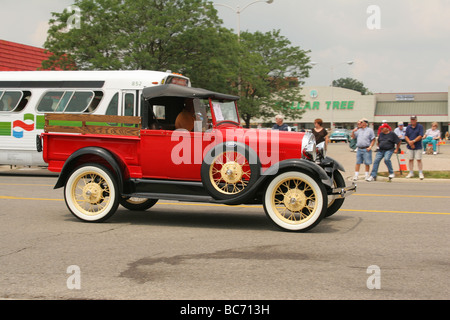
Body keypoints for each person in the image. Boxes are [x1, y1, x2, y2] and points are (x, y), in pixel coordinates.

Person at [404, 115, 424, 179]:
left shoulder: (420, 127)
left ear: (416, 120)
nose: (412, 121)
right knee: (410, 159)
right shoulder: (408, 127)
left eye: (413, 119)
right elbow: (406, 136)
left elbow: (420, 135)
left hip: (418, 146)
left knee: (418, 159)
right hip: (410, 146)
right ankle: (411, 172)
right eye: (411, 119)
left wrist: (413, 141)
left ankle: (420, 173)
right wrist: (410, 142)